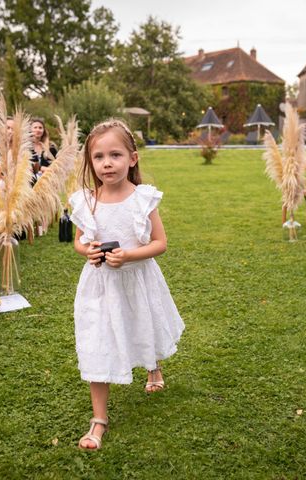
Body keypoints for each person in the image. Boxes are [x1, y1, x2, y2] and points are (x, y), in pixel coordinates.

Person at [68, 119, 185, 450]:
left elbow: (160, 243)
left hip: (137, 281)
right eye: (99, 157)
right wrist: (87, 250)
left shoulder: (142, 198)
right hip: (100, 287)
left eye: (115, 155)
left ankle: (153, 369)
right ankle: (99, 419)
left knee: (142, 327)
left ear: (132, 159)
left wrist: (130, 255)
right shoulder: (86, 201)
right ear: (91, 162)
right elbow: (79, 241)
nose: (107, 163)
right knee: (97, 342)